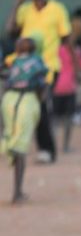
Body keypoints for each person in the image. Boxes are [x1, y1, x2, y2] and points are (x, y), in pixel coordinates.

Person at [5, 0, 79, 164]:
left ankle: (46, 150)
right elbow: (10, 31)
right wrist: (18, 2)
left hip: (47, 67)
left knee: (42, 106)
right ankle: (13, 145)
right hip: (23, 65)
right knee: (15, 104)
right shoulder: (25, 9)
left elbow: (66, 39)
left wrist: (76, 67)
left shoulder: (57, 9)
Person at [1, 38, 47, 204]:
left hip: (9, 100)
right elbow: (42, 86)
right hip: (27, 101)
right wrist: (42, 98)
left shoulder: (13, 62)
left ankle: (8, 147)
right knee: (21, 147)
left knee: (9, 136)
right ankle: (17, 192)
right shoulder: (38, 63)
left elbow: (6, 81)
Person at [53, 41, 81, 152]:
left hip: (56, 87)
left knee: (55, 119)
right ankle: (65, 146)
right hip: (69, 88)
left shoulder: (56, 49)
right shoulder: (76, 51)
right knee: (68, 119)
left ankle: (52, 146)